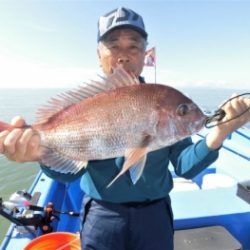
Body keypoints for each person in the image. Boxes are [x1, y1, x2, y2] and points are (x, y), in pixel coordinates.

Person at [0, 7, 249, 250]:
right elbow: (69, 174)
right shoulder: (86, 104)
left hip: (155, 217)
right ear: (99, 54)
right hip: (101, 216)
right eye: (113, 45)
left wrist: (219, 133)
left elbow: (185, 166)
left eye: (134, 45)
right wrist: (39, 153)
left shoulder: (162, 98)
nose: (123, 54)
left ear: (144, 53)